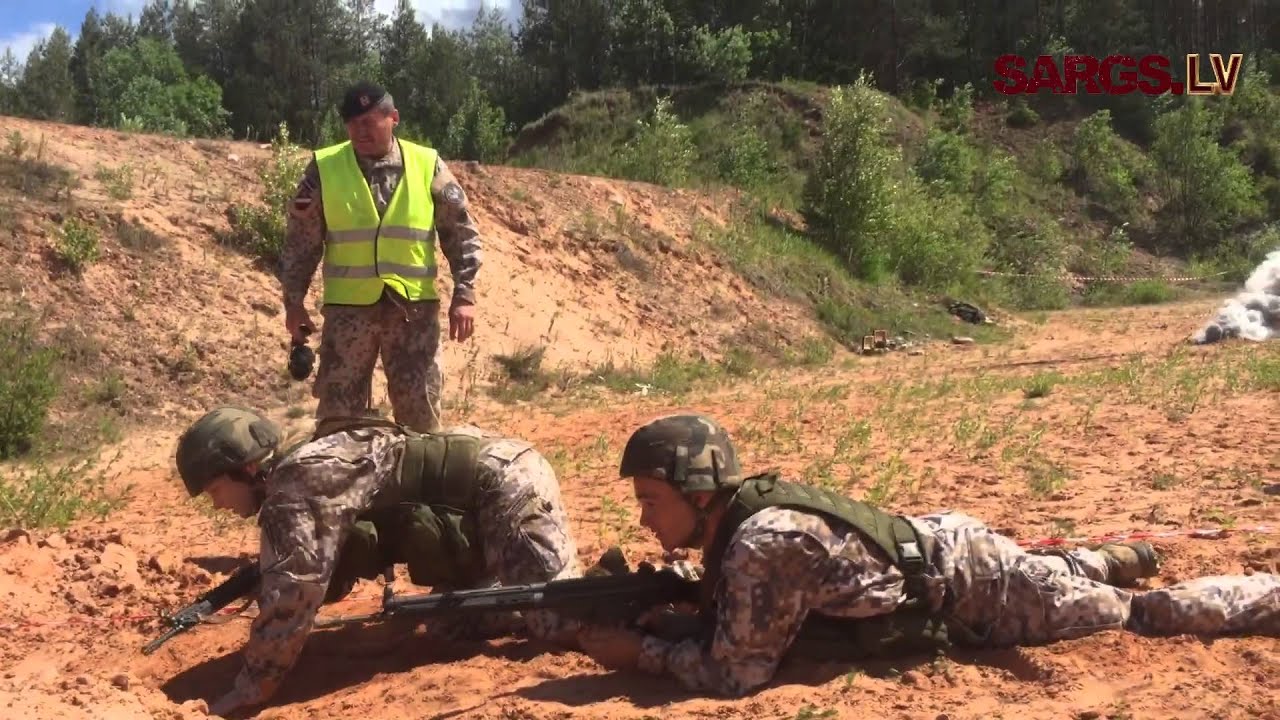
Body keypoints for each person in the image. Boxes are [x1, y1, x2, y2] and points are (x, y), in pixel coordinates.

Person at [575, 413, 1280, 696]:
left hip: (976, 584)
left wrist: (639, 653)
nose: (642, 518)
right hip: (947, 548)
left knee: (1137, 616)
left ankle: (1261, 593)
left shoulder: (762, 545)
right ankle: (1103, 556)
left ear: (699, 495)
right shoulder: (744, 525)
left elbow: (736, 674)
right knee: (1057, 576)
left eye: (649, 501)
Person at [172, 406, 582, 716]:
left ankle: (636, 604)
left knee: (564, 624)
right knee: (451, 624)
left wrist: (247, 692)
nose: (218, 506)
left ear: (247, 469)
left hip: (505, 487)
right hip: (476, 504)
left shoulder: (296, 484)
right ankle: (515, 594)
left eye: (215, 491)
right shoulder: (296, 467)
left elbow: (292, 597)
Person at [279, 80, 482, 434]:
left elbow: (461, 233)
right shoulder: (325, 168)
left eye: (370, 121)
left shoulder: (427, 164)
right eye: (353, 123)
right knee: (339, 420)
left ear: (394, 118)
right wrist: (293, 302)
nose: (360, 130)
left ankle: (421, 489)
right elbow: (301, 242)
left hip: (413, 315)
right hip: (348, 317)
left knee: (420, 417)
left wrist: (464, 294)